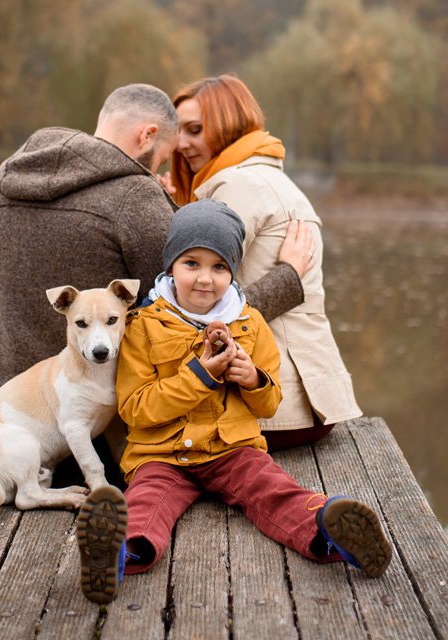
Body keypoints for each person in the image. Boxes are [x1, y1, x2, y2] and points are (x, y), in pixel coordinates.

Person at [0, 83, 313, 484]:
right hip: (92, 428)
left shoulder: (13, 180)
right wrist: (288, 278)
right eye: (163, 157)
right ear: (147, 135)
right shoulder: (135, 198)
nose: (159, 171)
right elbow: (192, 309)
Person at [76, 200, 391, 605]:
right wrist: (200, 376)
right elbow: (136, 409)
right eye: (191, 263)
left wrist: (253, 379)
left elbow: (269, 404)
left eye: (220, 267)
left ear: (233, 272)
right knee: (145, 502)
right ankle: (115, 553)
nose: (205, 278)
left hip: (233, 450)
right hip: (161, 454)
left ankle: (330, 530)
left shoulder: (250, 324)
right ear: (171, 265)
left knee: (273, 489)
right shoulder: (142, 325)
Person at [168, 74, 362, 451]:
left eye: (195, 130)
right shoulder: (268, 178)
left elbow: (196, 304)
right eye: (178, 132)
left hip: (271, 409)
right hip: (310, 404)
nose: (180, 144)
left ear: (228, 124)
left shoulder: (236, 186)